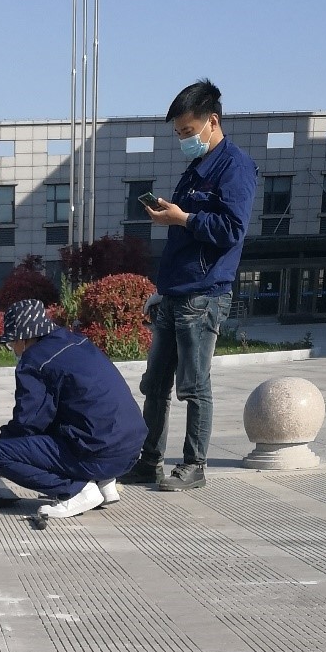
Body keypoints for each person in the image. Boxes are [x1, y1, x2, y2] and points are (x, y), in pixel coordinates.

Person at [120, 78, 257, 494]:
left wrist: (182, 218)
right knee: (155, 385)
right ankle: (149, 462)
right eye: (178, 133)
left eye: (188, 131)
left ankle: (194, 465)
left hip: (204, 293)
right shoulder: (196, 168)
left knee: (194, 387)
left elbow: (232, 230)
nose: (183, 139)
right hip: (176, 290)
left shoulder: (235, 167)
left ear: (212, 121)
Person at [0, 299, 147, 520]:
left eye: (11, 343)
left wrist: (9, 441)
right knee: (69, 416)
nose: (12, 349)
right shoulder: (76, 341)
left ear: (23, 339)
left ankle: (78, 490)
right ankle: (104, 483)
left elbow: (29, 420)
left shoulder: (35, 361)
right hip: (130, 449)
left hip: (99, 453)